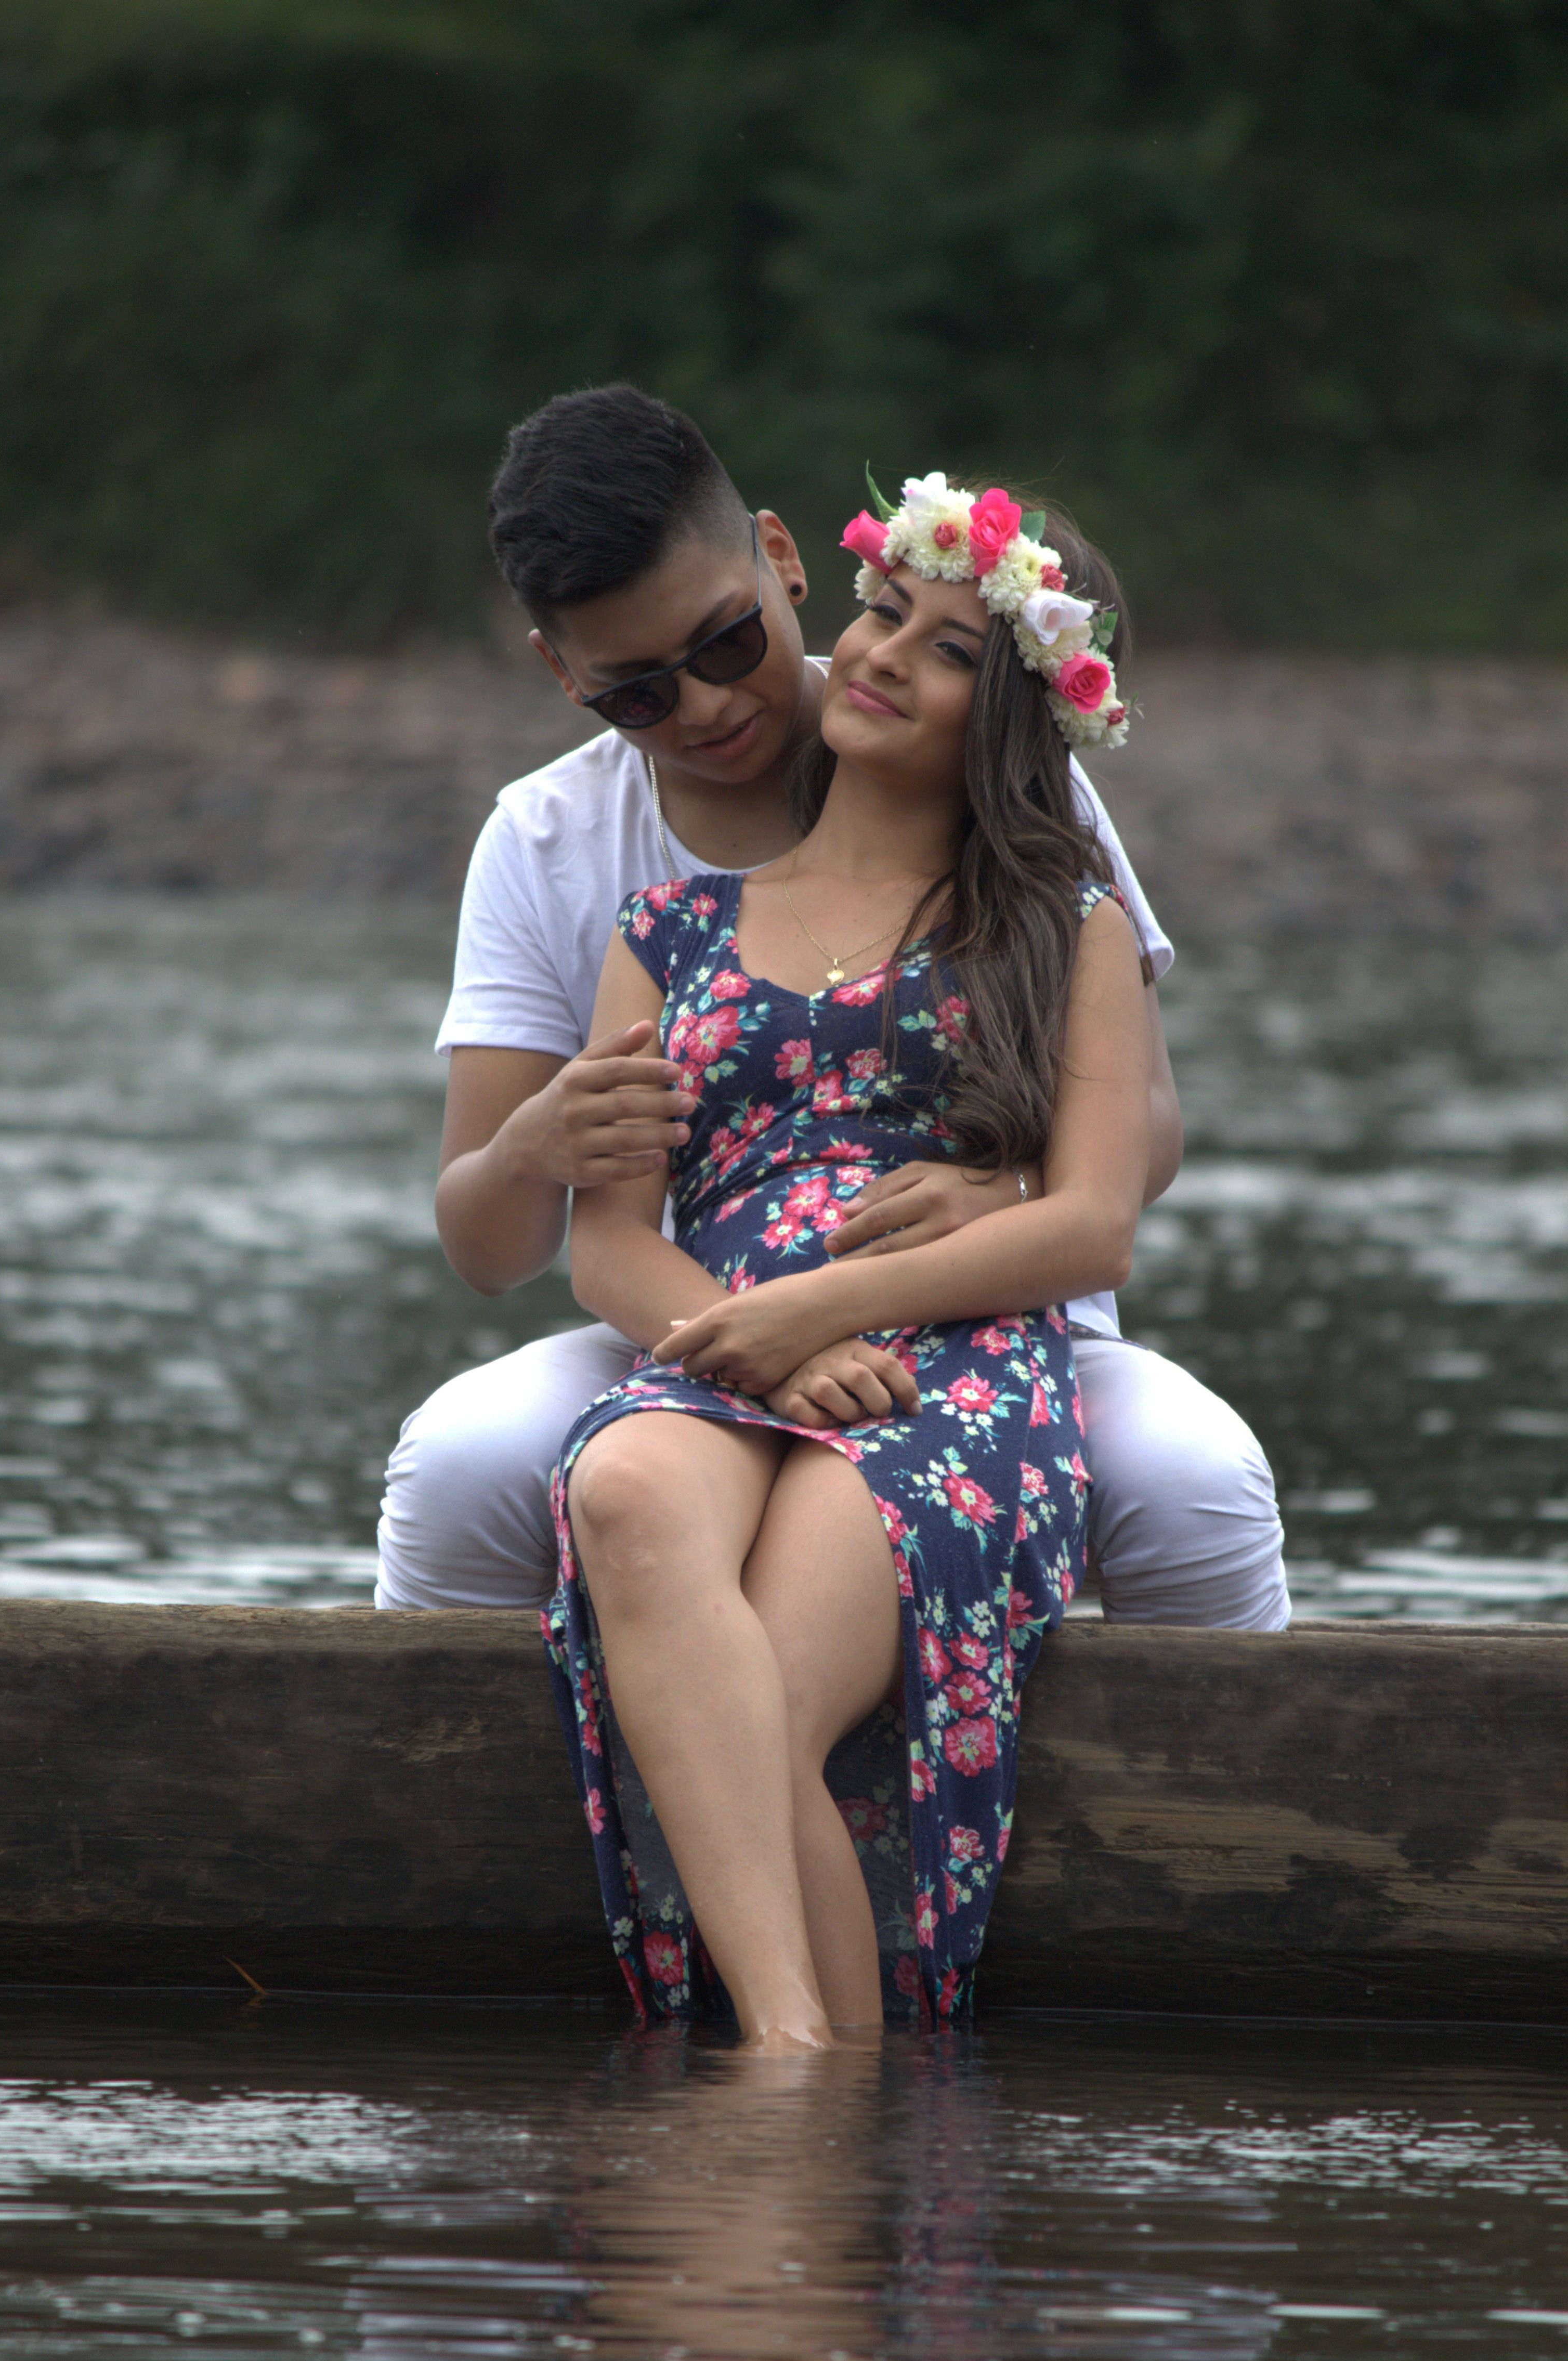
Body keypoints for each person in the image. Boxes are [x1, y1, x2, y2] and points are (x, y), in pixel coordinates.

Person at [374, 386, 1288, 1631]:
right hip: (692, 1313)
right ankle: (439, 1751)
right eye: (636, 693)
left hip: (1003, 1308)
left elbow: (1147, 1131)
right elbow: (492, 1251)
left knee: (1194, 1478)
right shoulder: (549, 844)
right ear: (560, 672)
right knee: (460, 1461)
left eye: (723, 645)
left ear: (783, 560)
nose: (702, 708)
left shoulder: (993, 769)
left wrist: (1015, 1189)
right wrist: (534, 1149)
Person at [545, 465, 1151, 2046]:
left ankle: (795, 2076)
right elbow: (603, 1245)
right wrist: (770, 1338)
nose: (878, 653)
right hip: (730, 1341)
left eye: (949, 649)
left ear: (1011, 712)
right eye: (883, 611)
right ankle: (803, 2062)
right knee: (624, 1490)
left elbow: (1094, 1219)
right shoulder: (667, 930)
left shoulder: (1059, 922)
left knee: (780, 1687)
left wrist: (832, 1307)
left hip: (948, 1362)